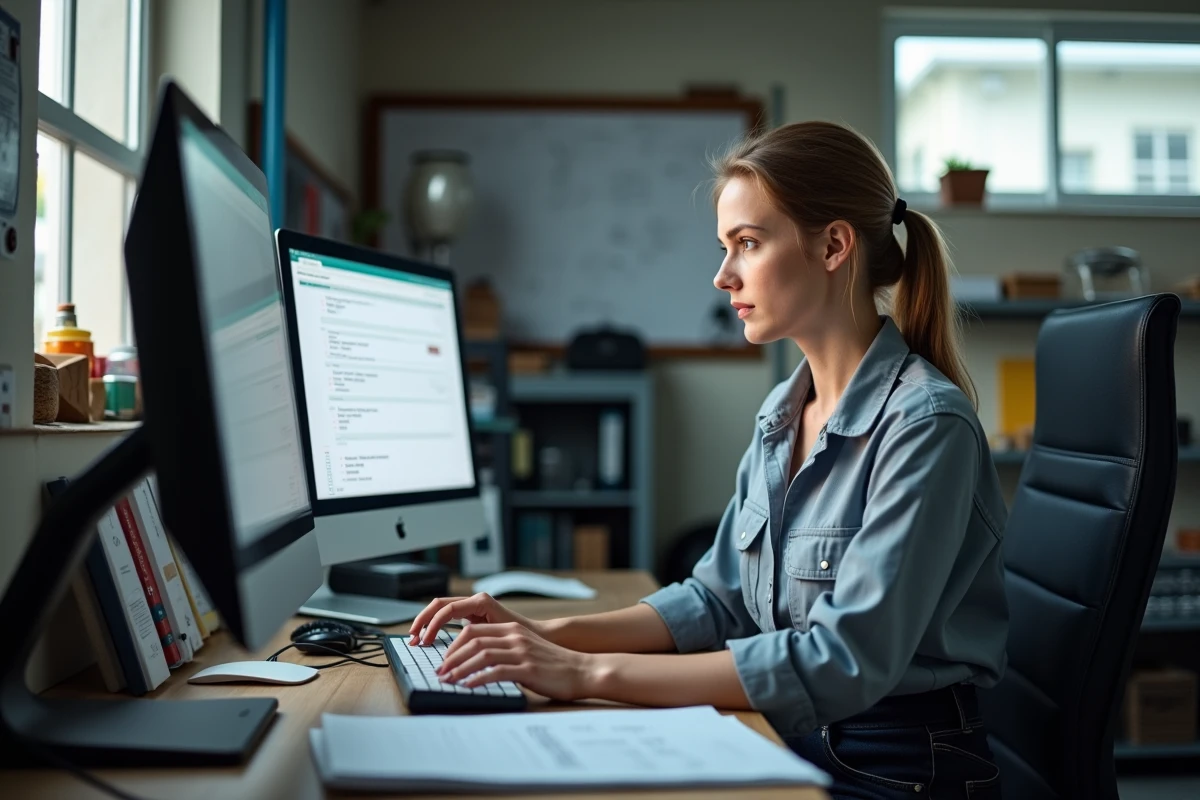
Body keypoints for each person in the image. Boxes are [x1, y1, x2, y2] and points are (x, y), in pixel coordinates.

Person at [408, 121, 1009, 799]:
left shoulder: (926, 427)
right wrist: (548, 635)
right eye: (726, 248)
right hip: (802, 735)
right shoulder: (786, 410)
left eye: (747, 244)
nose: (723, 276)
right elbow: (715, 599)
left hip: (897, 763)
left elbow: (841, 662)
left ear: (834, 245)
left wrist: (583, 673)